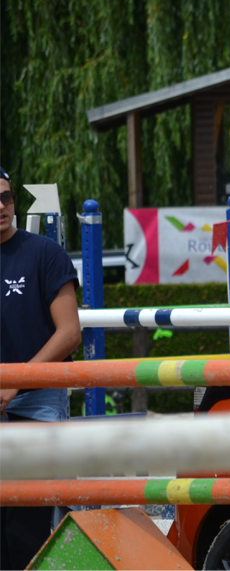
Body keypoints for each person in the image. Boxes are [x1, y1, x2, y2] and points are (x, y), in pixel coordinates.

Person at [0, 167, 81, 570]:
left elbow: (70, 333)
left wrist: (15, 383)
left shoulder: (45, 253)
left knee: (25, 532)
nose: (0, 206)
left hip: (36, 402)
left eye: (6, 197)